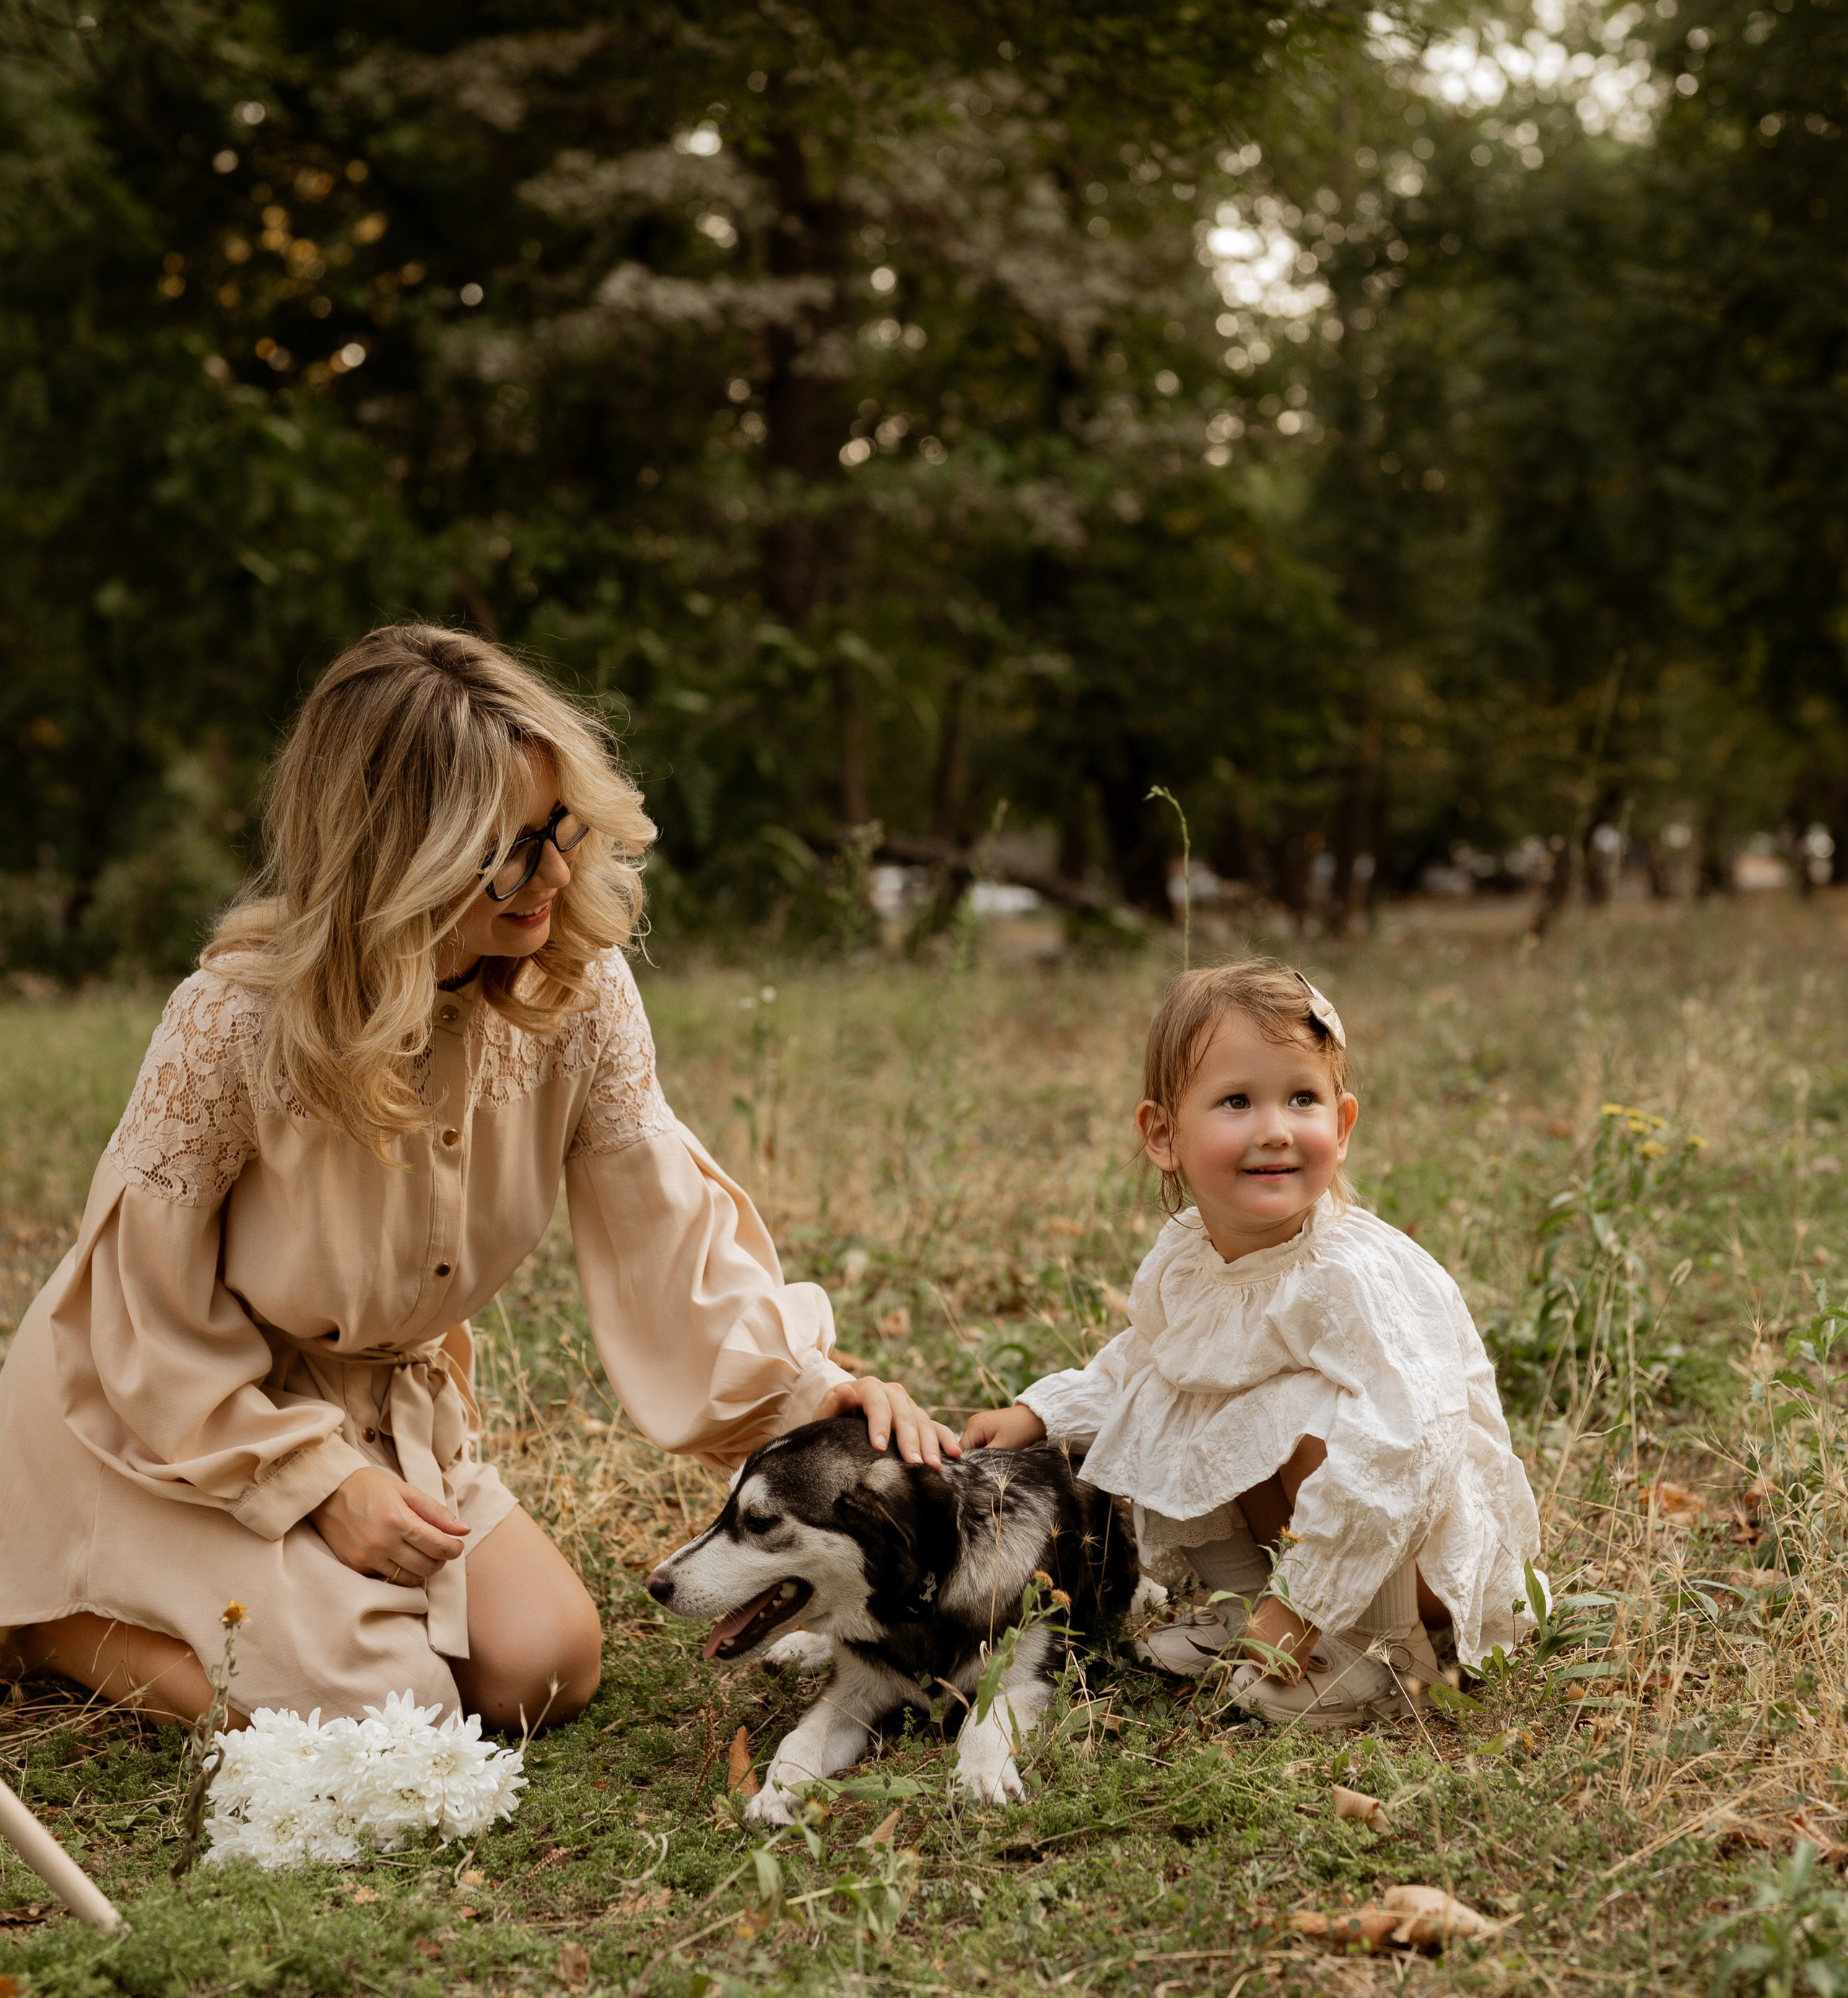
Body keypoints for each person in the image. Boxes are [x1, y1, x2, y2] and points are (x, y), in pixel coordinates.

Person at [0, 627, 953, 1735]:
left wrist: (807, 1394)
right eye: (507, 846)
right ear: (392, 854)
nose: (552, 873)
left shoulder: (575, 994)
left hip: (386, 1410)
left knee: (543, 1667)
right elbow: (139, 1314)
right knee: (383, 1708)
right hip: (166, 1421)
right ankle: (47, 1616)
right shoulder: (231, 1024)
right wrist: (321, 1487)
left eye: (560, 829)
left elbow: (667, 1238)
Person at [961, 960, 1541, 1729]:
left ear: (1340, 1124)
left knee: (1303, 1406)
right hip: (1316, 1530)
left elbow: (1408, 1447)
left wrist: (1305, 1601)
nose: (1274, 1127)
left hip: (1416, 1548)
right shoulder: (1188, 1251)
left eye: (1301, 1098)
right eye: (1237, 1100)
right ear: (1164, 1134)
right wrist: (1041, 1411)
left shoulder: (1348, 1274)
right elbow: (1146, 1358)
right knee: (1180, 1385)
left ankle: (1380, 1649)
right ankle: (1247, 1609)